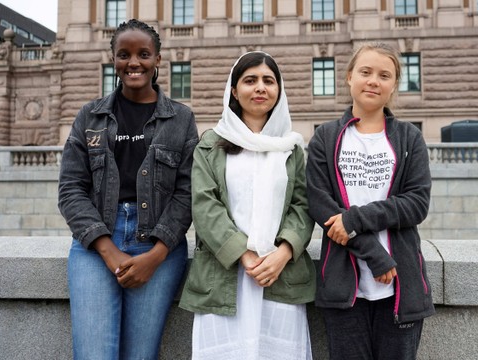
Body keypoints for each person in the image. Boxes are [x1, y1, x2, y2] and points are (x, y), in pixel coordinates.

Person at [58, 19, 198, 359]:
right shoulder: (90, 115)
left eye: (143, 54)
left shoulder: (181, 118)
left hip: (158, 245)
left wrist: (157, 254)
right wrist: (107, 249)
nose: (133, 62)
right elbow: (71, 189)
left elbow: (188, 191)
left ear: (158, 60)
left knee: (141, 355)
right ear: (113, 59)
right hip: (96, 245)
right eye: (124, 55)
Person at [179, 51, 315, 360]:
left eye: (269, 81)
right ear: (234, 90)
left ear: (279, 91)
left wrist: (283, 252)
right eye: (250, 80)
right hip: (224, 276)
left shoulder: (291, 147)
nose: (260, 88)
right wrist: (244, 254)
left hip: (279, 274)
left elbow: (303, 206)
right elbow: (204, 205)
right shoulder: (211, 144)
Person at [305, 42, 435, 360]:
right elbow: (320, 204)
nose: (374, 80)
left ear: (393, 86)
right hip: (344, 287)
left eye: (384, 75)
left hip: (400, 289)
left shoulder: (409, 137)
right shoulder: (325, 137)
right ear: (350, 77)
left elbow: (417, 203)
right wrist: (375, 254)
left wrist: (356, 219)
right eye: (365, 72)